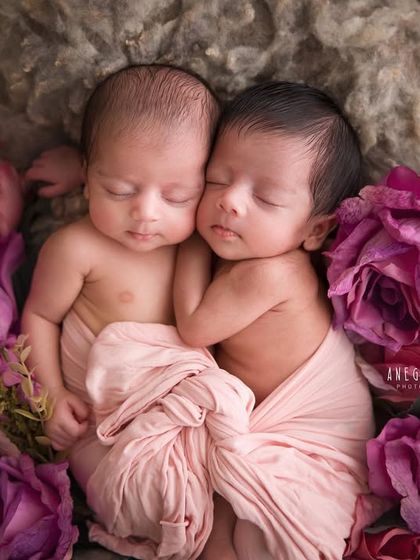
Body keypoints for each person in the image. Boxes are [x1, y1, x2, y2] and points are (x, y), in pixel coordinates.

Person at [172, 81, 373, 559]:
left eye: (266, 197)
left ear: (314, 230)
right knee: (217, 524)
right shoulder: (253, 254)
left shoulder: (272, 273)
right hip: (267, 433)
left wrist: (187, 242)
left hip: (313, 444)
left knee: (256, 526)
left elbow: (194, 328)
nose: (230, 201)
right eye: (217, 179)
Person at [22, 63, 219, 453]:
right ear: (89, 180)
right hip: (100, 422)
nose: (146, 212)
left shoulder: (200, 242)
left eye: (177, 196)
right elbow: (40, 317)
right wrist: (52, 396)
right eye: (118, 190)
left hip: (187, 411)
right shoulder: (76, 248)